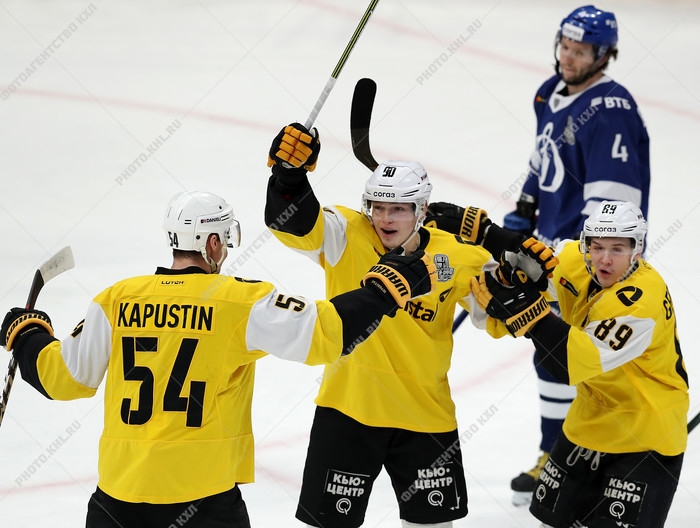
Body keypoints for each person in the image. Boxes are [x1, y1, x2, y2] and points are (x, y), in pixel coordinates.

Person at [0, 190, 436, 528]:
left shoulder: (116, 299)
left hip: (117, 502)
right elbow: (327, 334)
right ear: (212, 243)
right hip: (203, 504)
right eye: (225, 241)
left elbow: (61, 378)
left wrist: (27, 335)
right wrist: (384, 291)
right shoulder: (237, 302)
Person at [264, 122, 516, 528]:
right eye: (377, 206)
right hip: (347, 412)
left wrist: (518, 270)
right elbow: (291, 222)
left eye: (398, 209)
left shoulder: (458, 256)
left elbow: (502, 315)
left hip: (426, 418)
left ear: (422, 210)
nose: (384, 218)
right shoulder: (345, 233)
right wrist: (288, 178)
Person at [501, 5, 651, 503]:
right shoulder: (551, 92)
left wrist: (567, 260)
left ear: (604, 55)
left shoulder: (611, 111)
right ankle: (557, 453)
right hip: (556, 253)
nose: (568, 57)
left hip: (594, 263)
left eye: (580, 51)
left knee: (589, 360)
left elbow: (612, 210)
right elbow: (542, 162)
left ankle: (598, 456)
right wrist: (523, 215)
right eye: (565, 46)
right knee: (552, 355)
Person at [471, 201, 688, 528]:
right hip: (589, 420)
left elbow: (569, 364)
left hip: (646, 433)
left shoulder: (641, 301)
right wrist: (486, 235)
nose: (604, 259)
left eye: (617, 249)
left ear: (637, 250)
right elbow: (527, 269)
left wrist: (529, 316)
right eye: (597, 247)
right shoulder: (574, 258)